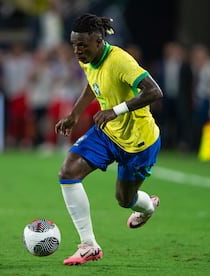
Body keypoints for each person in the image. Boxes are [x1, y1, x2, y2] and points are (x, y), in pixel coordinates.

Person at [55, 13, 163, 266]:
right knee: (68, 172)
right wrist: (74, 114)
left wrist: (116, 110)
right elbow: (94, 84)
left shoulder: (121, 61)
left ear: (99, 40)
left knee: (125, 200)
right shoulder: (88, 58)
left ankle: (148, 206)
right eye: (74, 44)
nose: (77, 50)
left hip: (139, 142)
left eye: (82, 45)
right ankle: (89, 245)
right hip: (107, 132)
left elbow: (154, 92)